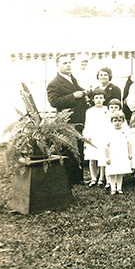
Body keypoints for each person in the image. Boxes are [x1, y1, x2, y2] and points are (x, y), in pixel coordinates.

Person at [48, 55, 88, 183]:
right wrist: (73, 96)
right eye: (64, 63)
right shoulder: (54, 83)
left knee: (78, 147)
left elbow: (77, 91)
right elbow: (54, 102)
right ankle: (69, 179)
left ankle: (78, 178)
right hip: (68, 121)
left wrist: (84, 92)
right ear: (58, 65)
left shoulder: (71, 78)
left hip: (79, 119)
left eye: (69, 63)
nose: (68, 65)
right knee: (69, 149)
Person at [83, 89, 108, 187]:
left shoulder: (107, 110)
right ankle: (93, 177)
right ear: (93, 99)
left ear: (104, 99)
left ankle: (101, 177)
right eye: (96, 98)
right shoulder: (89, 111)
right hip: (92, 136)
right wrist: (87, 137)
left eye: (101, 98)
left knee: (102, 157)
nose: (98, 100)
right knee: (92, 158)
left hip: (103, 136)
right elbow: (87, 124)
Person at [103, 110, 132, 195]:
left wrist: (130, 153)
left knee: (120, 171)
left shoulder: (125, 131)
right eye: (115, 120)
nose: (117, 123)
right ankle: (113, 188)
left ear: (123, 121)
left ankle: (119, 187)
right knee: (112, 171)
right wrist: (107, 157)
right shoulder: (109, 131)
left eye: (119, 120)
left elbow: (129, 142)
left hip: (122, 153)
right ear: (112, 121)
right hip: (113, 154)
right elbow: (106, 145)